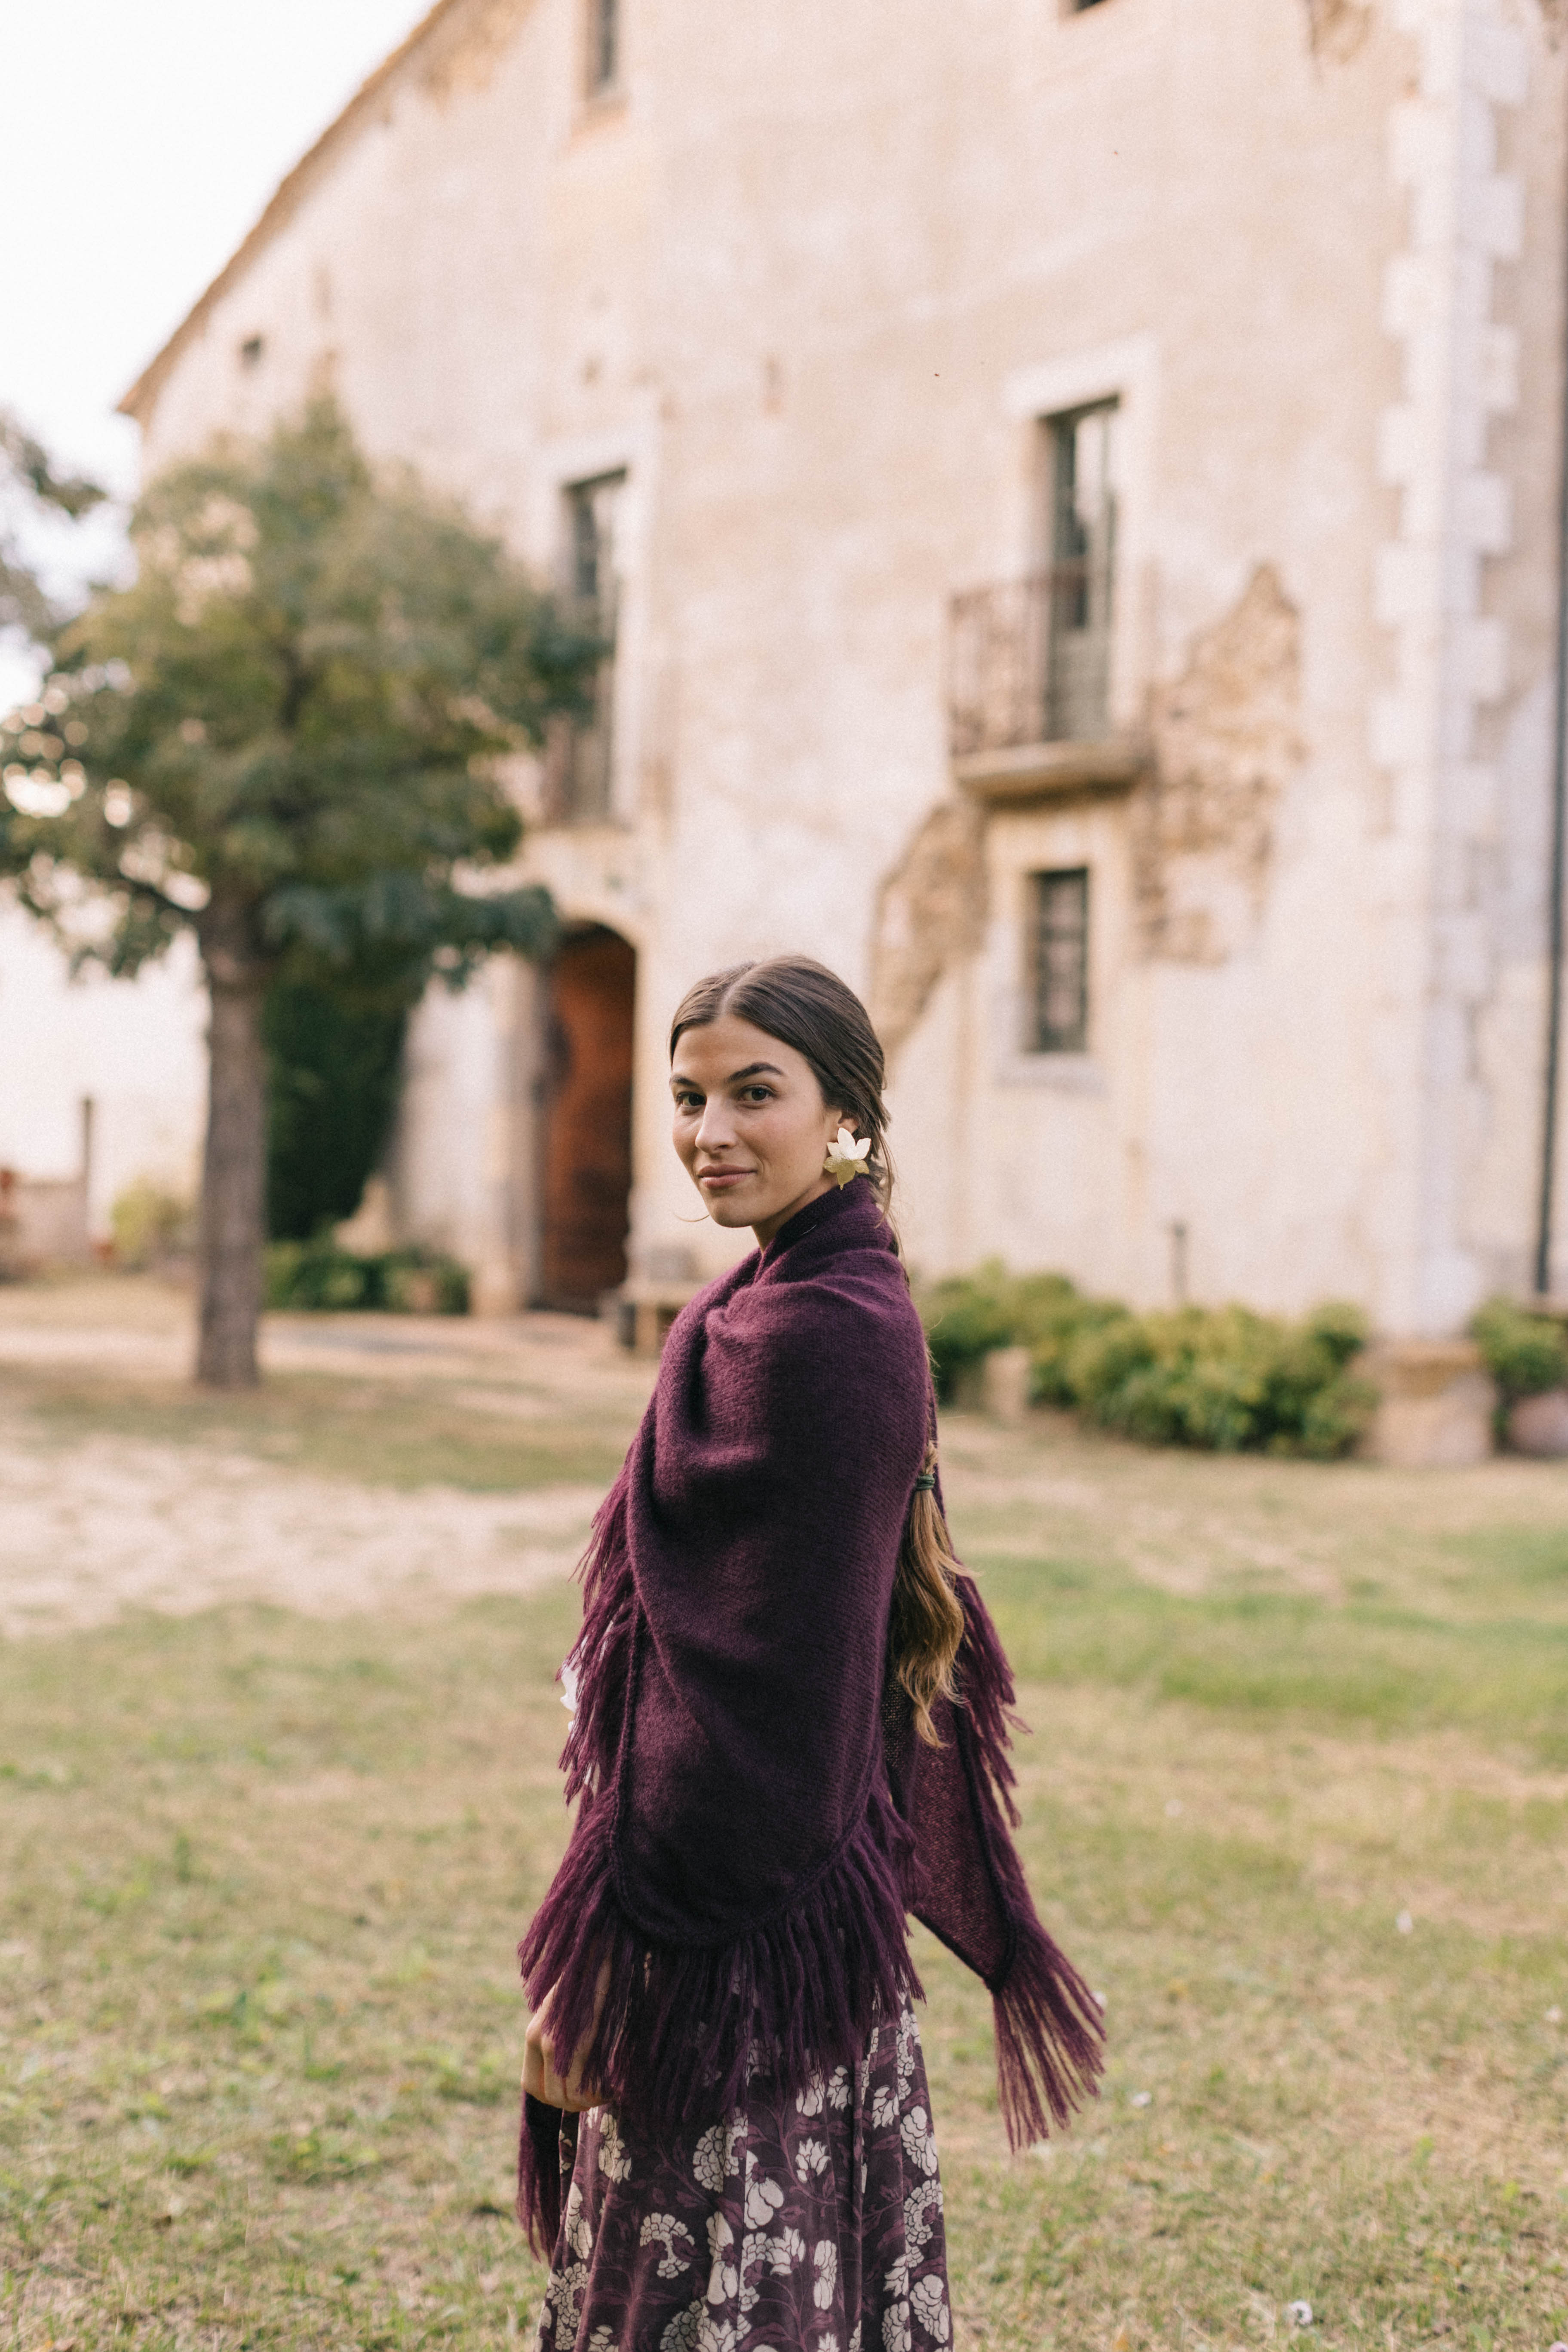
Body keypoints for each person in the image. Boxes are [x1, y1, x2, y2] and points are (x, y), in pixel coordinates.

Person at [518, 955, 1102, 2352]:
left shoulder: (821, 1336)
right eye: (688, 1097)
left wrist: (614, 1949)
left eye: (753, 1094)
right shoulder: (778, 1300)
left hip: (740, 1922)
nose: (709, 1132)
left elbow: (761, 1690)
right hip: (778, 1912)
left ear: (845, 1114)